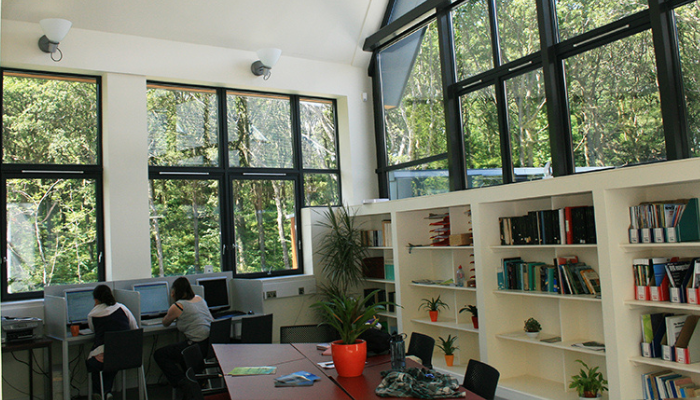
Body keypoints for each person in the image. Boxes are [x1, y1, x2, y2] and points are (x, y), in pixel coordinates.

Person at [154, 277, 213, 399]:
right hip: (208, 344)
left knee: (160, 354)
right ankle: (195, 380)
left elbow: (165, 322)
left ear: (175, 292)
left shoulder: (178, 306)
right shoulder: (200, 299)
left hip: (195, 347)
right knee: (180, 349)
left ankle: (183, 382)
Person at [85, 284, 138, 400]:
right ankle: (107, 392)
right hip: (128, 356)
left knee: (94, 362)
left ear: (96, 299)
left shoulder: (92, 314)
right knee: (111, 359)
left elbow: (94, 331)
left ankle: (99, 392)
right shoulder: (122, 308)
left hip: (108, 357)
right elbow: (134, 329)